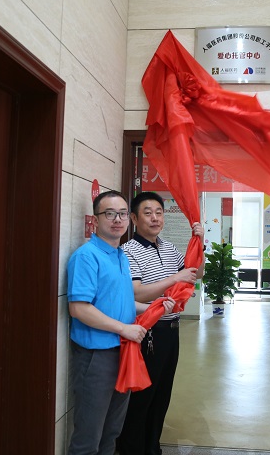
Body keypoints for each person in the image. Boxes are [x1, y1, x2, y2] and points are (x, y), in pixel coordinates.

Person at [67, 190, 175, 455]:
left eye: (122, 214)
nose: (117, 219)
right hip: (97, 355)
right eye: (110, 214)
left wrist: (155, 308)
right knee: (89, 436)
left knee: (112, 432)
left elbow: (124, 302)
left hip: (125, 350)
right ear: (96, 219)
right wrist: (123, 328)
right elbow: (78, 308)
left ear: (129, 219)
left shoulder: (120, 256)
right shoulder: (86, 256)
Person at [116, 192, 204, 455]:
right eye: (147, 213)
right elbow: (137, 293)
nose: (155, 218)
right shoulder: (128, 251)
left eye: (159, 212)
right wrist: (174, 278)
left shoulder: (168, 247)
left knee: (162, 395)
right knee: (142, 397)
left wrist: (199, 243)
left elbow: (196, 273)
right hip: (147, 333)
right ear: (134, 219)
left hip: (171, 330)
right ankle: (132, 449)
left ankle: (152, 447)